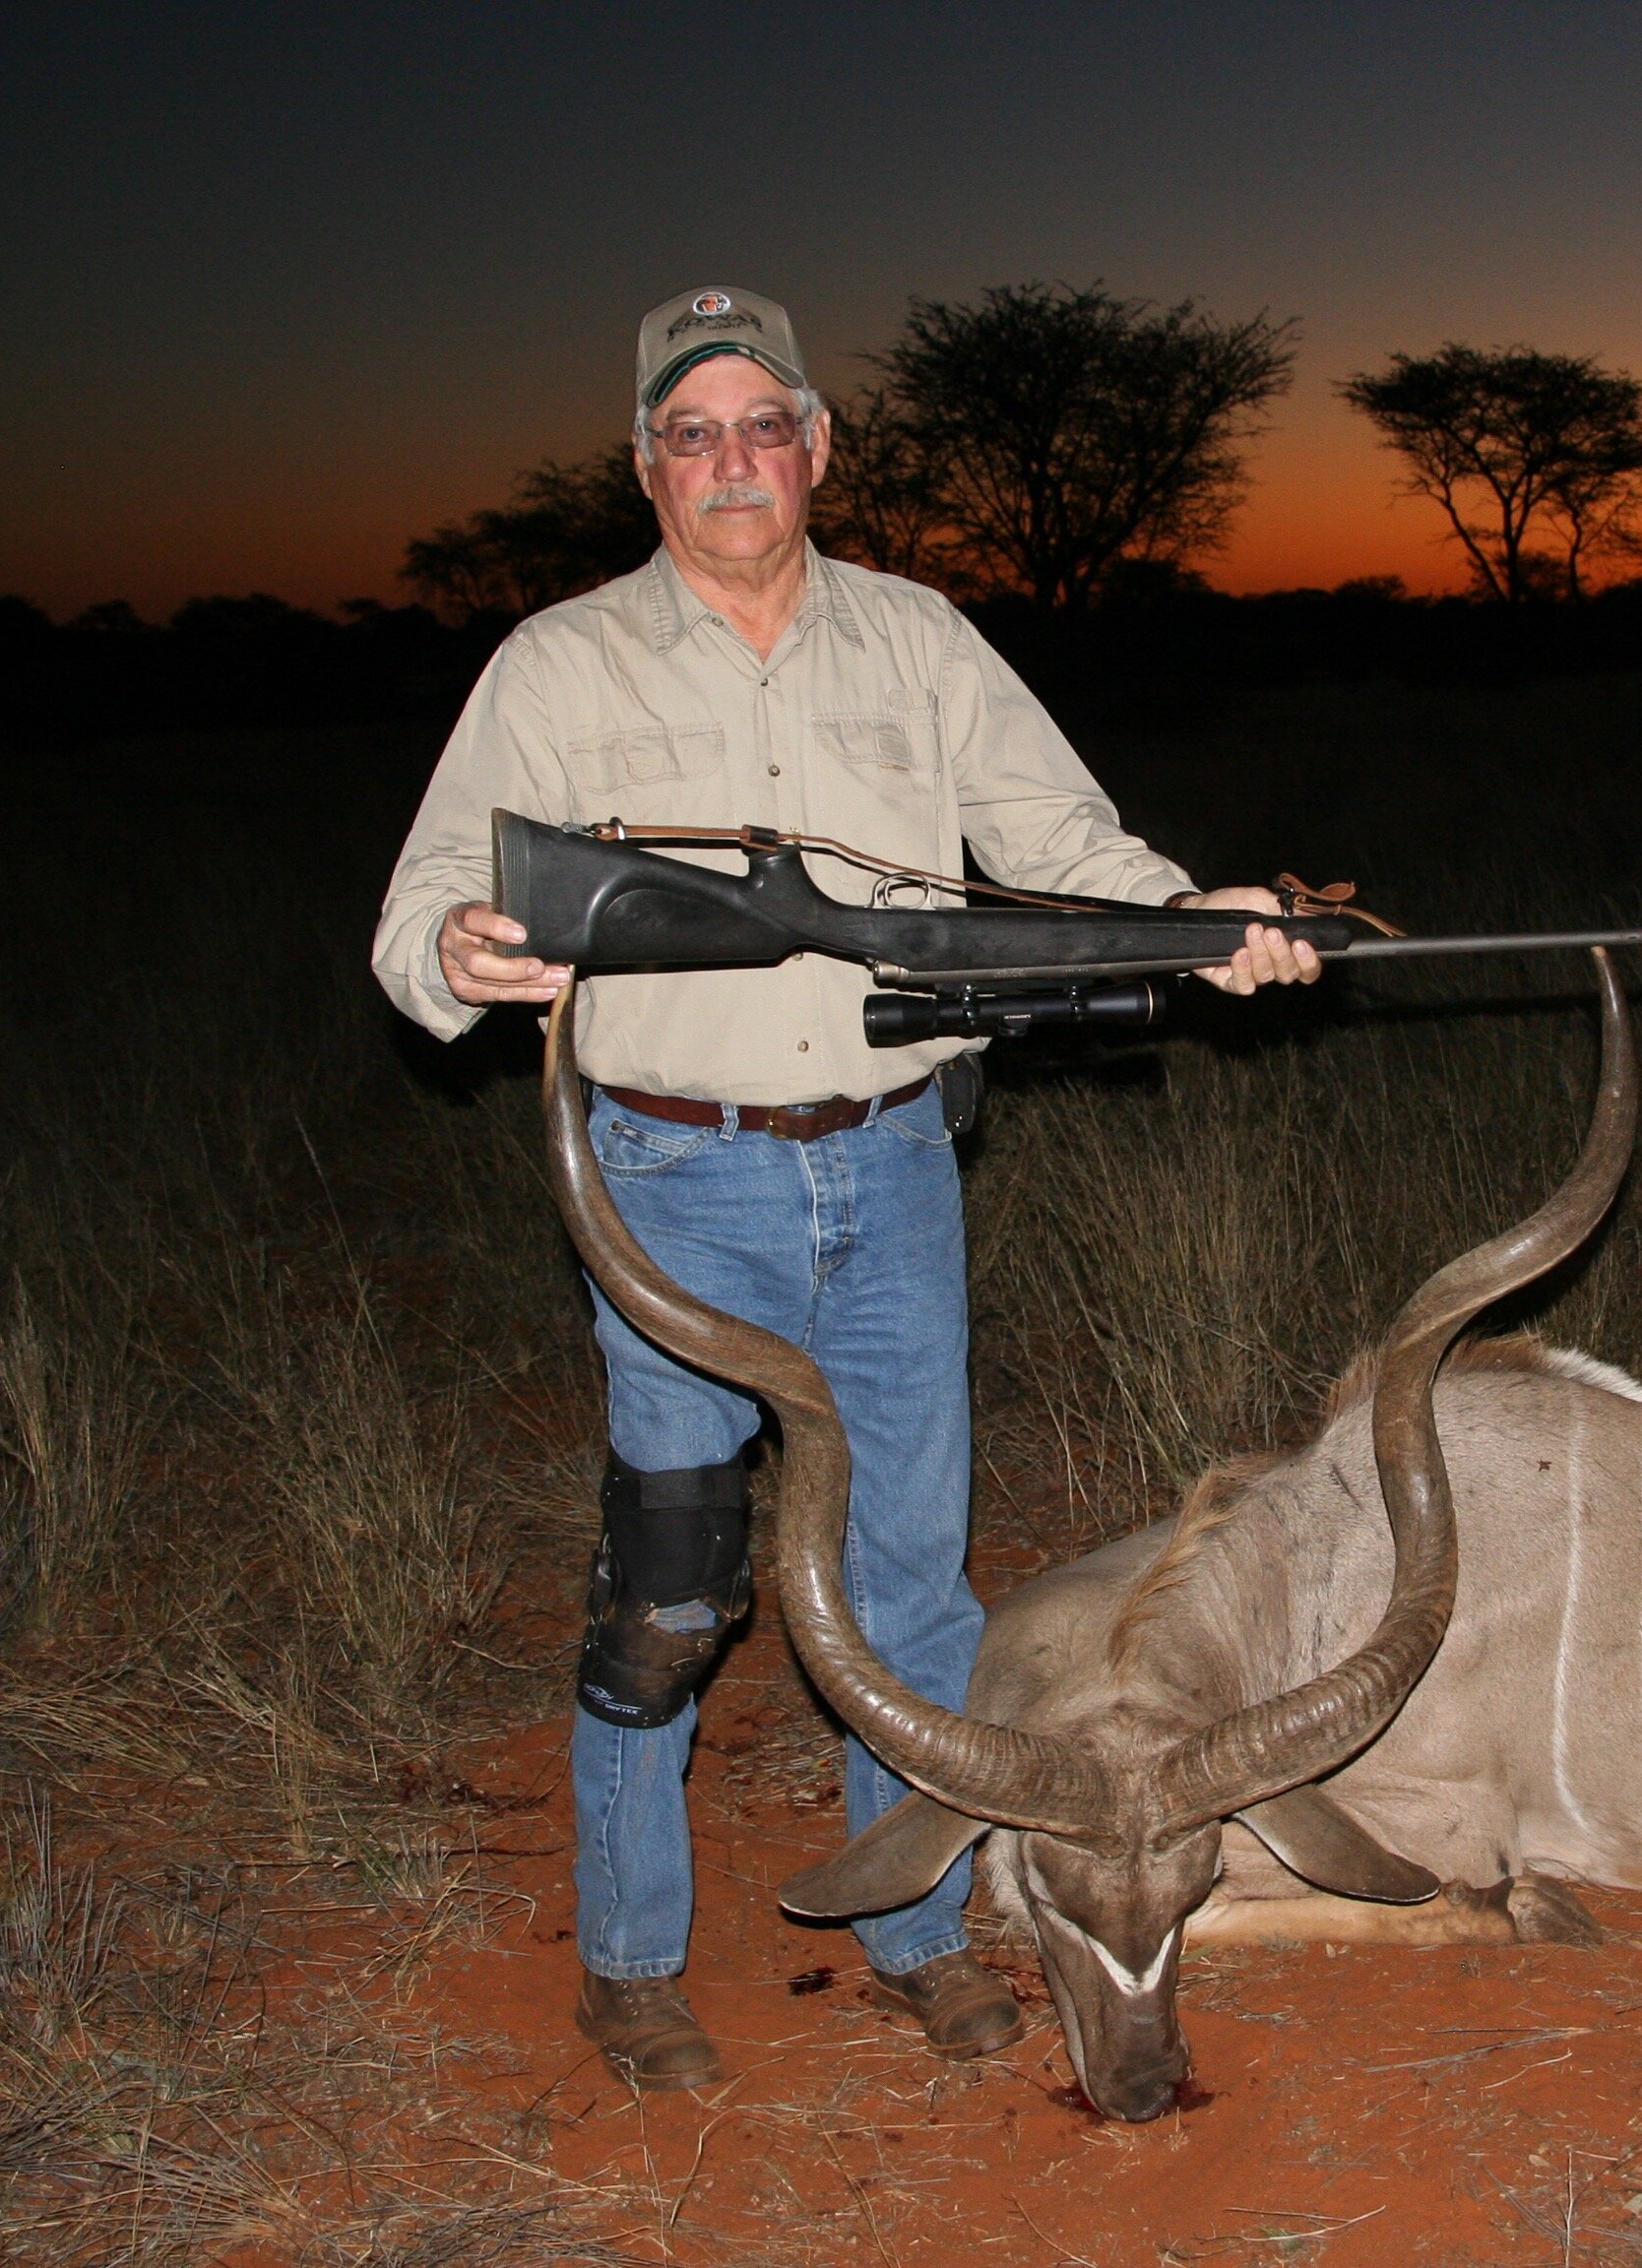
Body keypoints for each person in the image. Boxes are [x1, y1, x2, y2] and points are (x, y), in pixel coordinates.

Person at [370, 285, 1319, 2089]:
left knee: (909, 1579)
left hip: (890, 1167)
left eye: (762, 423)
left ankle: (919, 1934)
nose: (732, 460)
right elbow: (421, 902)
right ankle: (634, 1958)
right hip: (669, 1173)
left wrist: (1215, 927)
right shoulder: (561, 661)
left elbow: (1064, 846)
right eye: (692, 431)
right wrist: (463, 948)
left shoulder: (921, 638)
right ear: (649, 466)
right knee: (671, 1585)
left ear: (817, 446)